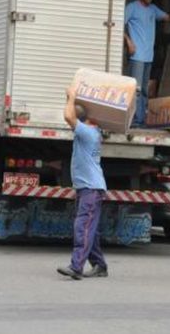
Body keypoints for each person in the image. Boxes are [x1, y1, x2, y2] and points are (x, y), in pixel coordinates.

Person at [57, 86, 109, 280]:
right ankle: (99, 265)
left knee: (83, 227)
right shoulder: (90, 132)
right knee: (90, 228)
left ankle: (76, 266)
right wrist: (71, 99)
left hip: (91, 189)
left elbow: (68, 117)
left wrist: (71, 98)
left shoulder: (88, 132)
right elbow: (72, 115)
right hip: (88, 188)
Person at [124, 0, 170, 126]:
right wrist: (129, 42)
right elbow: (118, 24)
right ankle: (132, 120)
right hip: (137, 56)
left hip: (148, 56)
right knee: (137, 89)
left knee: (145, 90)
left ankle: (140, 120)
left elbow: (169, 18)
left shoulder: (153, 9)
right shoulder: (132, 7)